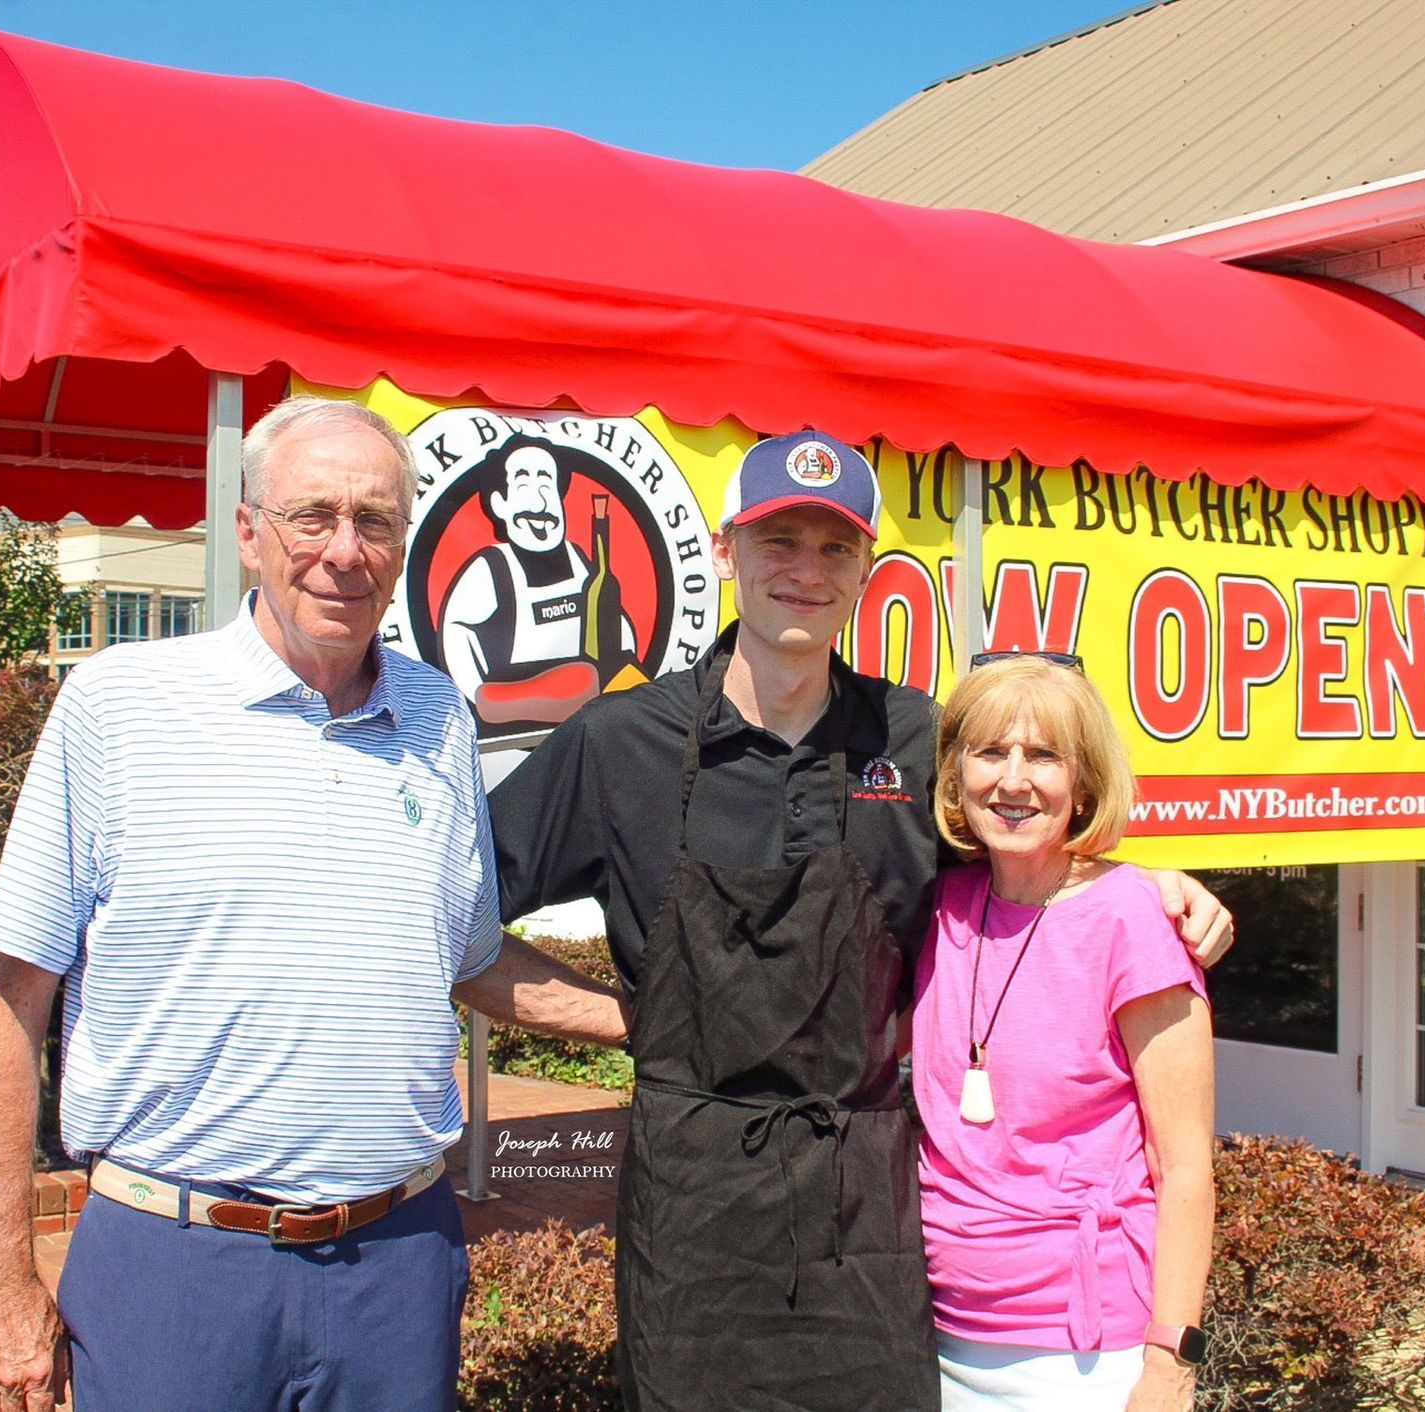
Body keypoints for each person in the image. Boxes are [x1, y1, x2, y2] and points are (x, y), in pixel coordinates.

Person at [489, 430, 1232, 1412]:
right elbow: (446, 932)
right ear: (725, 551)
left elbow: (1034, 842)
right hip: (692, 1222)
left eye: (835, 546)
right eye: (779, 539)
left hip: (869, 1215)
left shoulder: (919, 739)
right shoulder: (619, 741)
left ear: (868, 570)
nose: (806, 568)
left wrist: (1147, 880)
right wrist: (618, 1017)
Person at [0, 395, 624, 1412]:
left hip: (397, 1264)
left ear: (406, 541)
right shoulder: (119, 705)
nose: (343, 551)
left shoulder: (439, 714)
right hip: (177, 1267)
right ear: (248, 531)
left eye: (376, 520)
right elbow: (8, 1003)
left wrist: (650, 1023)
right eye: (312, 515)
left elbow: (471, 956)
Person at [914, 655, 1215, 1412]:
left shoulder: (1132, 920)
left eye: (1044, 756)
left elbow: (1183, 1167)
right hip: (932, 1337)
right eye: (989, 752)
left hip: (1084, 1359)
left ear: (1082, 783)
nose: (1013, 781)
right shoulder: (939, 903)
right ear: (954, 776)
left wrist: (1171, 1366)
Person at [439, 432, 638, 725]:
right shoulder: (491, 567)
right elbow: (457, 633)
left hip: (588, 719)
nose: (540, 500)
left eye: (547, 482)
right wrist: (480, 697)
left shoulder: (578, 558)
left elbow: (614, 620)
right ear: (499, 504)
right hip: (512, 721)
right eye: (523, 483)